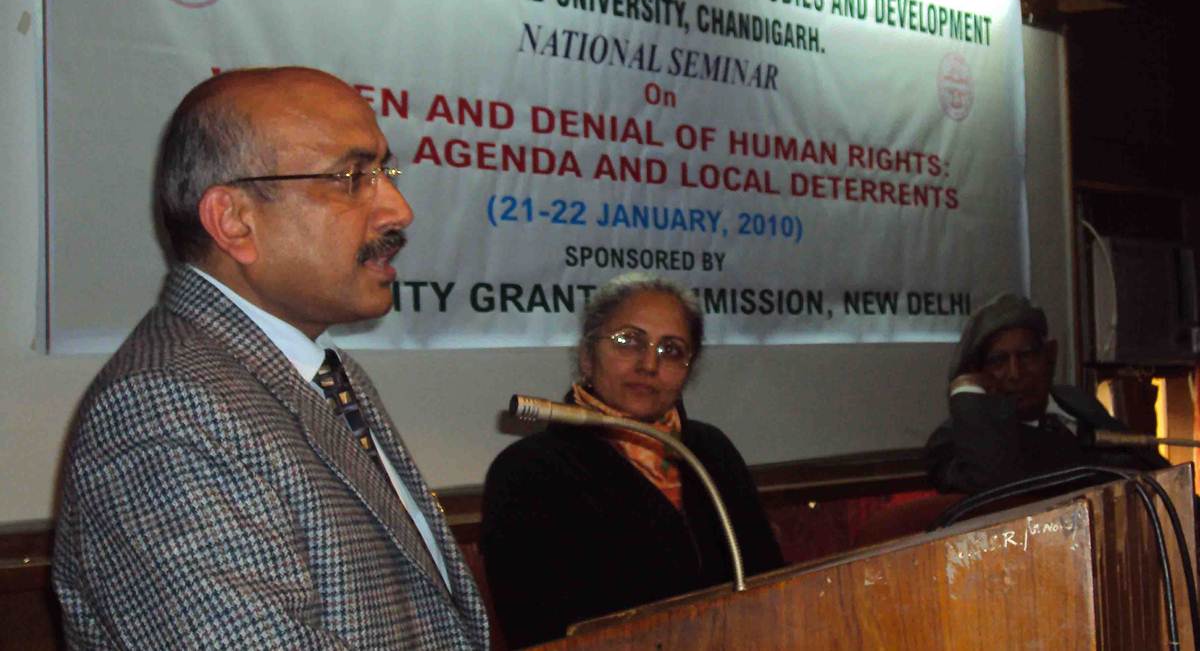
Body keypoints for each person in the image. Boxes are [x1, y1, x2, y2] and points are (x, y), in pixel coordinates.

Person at [52, 67, 488, 649]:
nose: (398, 209)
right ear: (235, 221)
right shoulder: (165, 410)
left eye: (384, 171)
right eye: (353, 177)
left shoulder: (319, 372)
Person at [481, 273, 784, 648]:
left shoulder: (710, 450)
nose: (649, 364)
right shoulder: (529, 470)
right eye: (629, 341)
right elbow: (540, 625)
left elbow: (769, 582)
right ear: (587, 358)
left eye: (671, 350)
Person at [925, 293, 1168, 493]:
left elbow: (1147, 467)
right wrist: (966, 390)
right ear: (979, 373)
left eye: (1027, 355)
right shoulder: (953, 442)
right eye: (998, 361)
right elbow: (995, 486)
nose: (1015, 373)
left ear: (1049, 355)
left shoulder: (1074, 402)